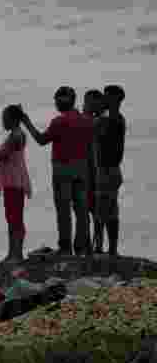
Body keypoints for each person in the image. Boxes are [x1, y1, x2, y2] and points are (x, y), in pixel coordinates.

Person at [18, 87, 95, 255]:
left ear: (62, 101)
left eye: (56, 100)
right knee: (81, 209)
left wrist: (26, 122)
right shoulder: (86, 120)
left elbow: (41, 139)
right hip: (82, 168)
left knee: (64, 210)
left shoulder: (58, 122)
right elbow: (90, 147)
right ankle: (82, 246)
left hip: (62, 169)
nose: (55, 103)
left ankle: (65, 247)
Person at [0, 106, 32, 264]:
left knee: (14, 217)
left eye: (4, 118)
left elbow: (2, 156)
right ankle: (13, 252)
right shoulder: (16, 134)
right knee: (12, 216)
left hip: (14, 180)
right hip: (13, 179)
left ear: (12, 119)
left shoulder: (16, 136)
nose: (3, 121)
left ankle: (16, 253)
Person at [95, 85, 127, 256]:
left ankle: (105, 248)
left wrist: (97, 115)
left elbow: (98, 133)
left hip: (108, 170)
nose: (103, 100)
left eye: (106, 97)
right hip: (109, 170)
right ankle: (108, 247)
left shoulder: (112, 119)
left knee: (105, 210)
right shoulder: (114, 118)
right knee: (108, 210)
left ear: (115, 99)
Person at [82, 89, 106, 252]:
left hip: (96, 171)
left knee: (97, 212)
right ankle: (91, 245)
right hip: (86, 170)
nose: (86, 105)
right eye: (86, 102)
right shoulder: (89, 121)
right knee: (87, 210)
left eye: (89, 102)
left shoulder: (99, 122)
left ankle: (97, 245)